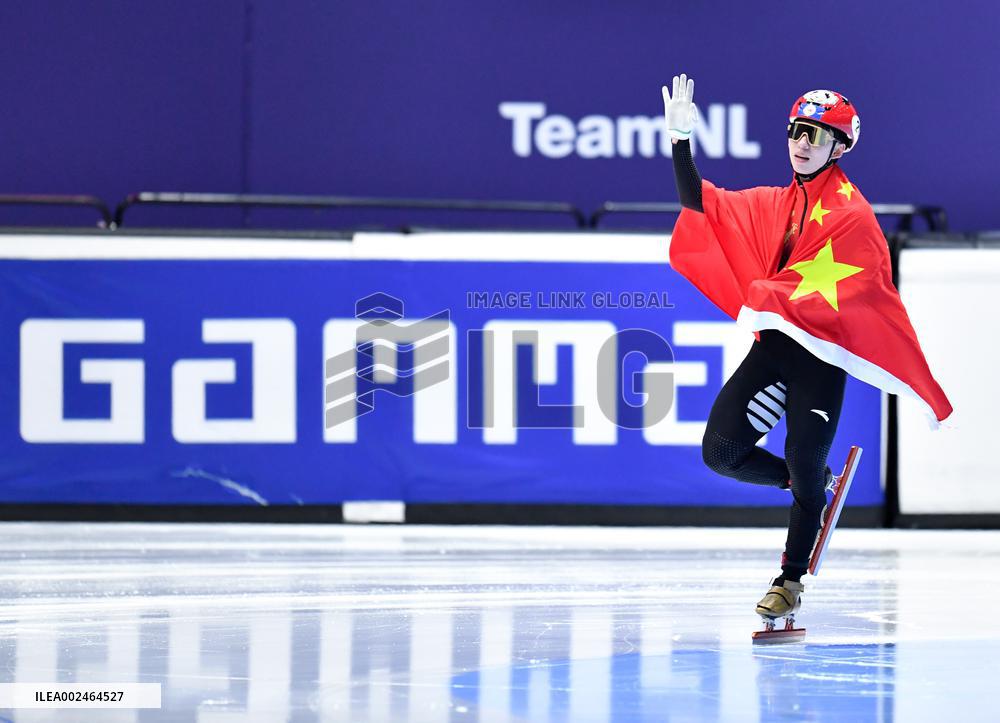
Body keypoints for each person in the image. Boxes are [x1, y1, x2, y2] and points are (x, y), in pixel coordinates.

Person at [661, 74, 952, 620]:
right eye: (797, 130)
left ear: (840, 148)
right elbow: (699, 202)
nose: (801, 143)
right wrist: (680, 141)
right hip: (776, 349)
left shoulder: (853, 215)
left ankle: (789, 580)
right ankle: (810, 486)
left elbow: (871, 294)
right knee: (721, 453)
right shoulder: (775, 203)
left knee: (804, 453)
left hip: (820, 358)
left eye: (816, 136)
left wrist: (772, 294)